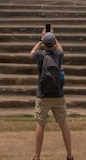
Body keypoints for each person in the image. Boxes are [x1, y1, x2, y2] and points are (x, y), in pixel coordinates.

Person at [30, 28, 73, 160]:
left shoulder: (40, 55)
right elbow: (61, 50)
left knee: (40, 125)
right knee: (63, 124)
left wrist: (41, 39)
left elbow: (32, 52)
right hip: (58, 95)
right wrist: (54, 37)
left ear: (44, 43)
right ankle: (69, 155)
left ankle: (37, 157)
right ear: (54, 43)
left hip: (43, 95)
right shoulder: (59, 55)